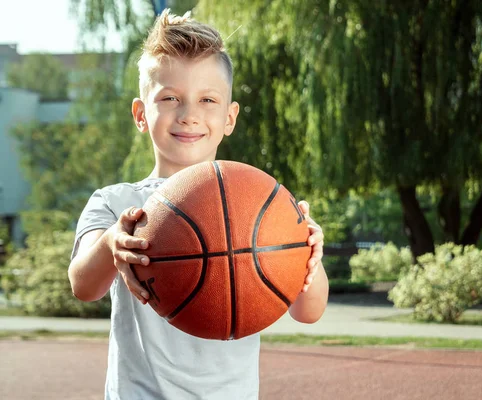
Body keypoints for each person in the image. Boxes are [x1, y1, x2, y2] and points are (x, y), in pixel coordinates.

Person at [68, 9, 328, 400]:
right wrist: (110, 244)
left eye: (208, 100)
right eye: (170, 98)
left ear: (229, 117)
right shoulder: (116, 203)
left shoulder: (262, 205)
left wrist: (307, 252)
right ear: (141, 114)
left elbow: (309, 312)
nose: (189, 115)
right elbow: (82, 286)